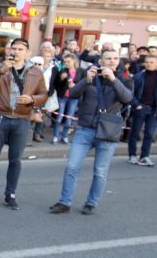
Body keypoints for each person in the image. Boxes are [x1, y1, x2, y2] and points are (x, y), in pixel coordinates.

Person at [49, 49, 134, 215]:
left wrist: (114, 80)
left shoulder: (125, 79)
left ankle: (91, 203)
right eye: (108, 58)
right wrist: (86, 81)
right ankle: (65, 202)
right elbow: (72, 94)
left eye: (115, 58)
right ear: (101, 61)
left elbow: (127, 98)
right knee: (72, 167)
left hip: (107, 131)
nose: (112, 61)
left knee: (100, 171)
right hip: (85, 129)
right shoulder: (90, 75)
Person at [0, 38, 47, 210]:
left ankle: (10, 194)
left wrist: (32, 99)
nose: (16, 52)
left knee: (16, 160)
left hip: (22, 119)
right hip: (0, 117)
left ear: (27, 52)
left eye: (21, 49)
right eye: (14, 48)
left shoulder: (35, 71)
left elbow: (43, 94)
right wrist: (0, 71)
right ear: (9, 51)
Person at [128, 54, 157, 167]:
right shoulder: (138, 77)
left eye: (152, 62)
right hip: (140, 108)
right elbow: (131, 93)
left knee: (149, 134)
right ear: (144, 63)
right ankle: (132, 155)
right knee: (135, 132)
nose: (149, 64)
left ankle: (145, 156)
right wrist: (136, 105)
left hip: (153, 111)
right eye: (148, 62)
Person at [52, 52, 84, 144]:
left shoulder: (81, 71)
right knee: (59, 117)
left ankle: (65, 136)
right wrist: (61, 79)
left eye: (68, 61)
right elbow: (57, 85)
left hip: (74, 97)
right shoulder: (63, 70)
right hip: (63, 96)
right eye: (65, 62)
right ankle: (55, 136)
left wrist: (75, 85)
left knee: (69, 118)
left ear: (74, 60)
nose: (66, 63)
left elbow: (84, 84)